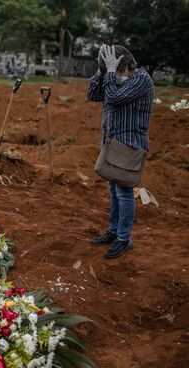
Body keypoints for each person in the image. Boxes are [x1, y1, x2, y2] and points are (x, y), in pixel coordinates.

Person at [87, 44, 154, 259]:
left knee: (124, 192)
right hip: (112, 142)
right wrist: (101, 71)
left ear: (124, 67)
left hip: (129, 144)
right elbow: (93, 94)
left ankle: (124, 239)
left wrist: (111, 76)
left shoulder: (141, 80)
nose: (110, 75)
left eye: (112, 70)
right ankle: (114, 231)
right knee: (114, 190)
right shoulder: (116, 79)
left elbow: (114, 98)